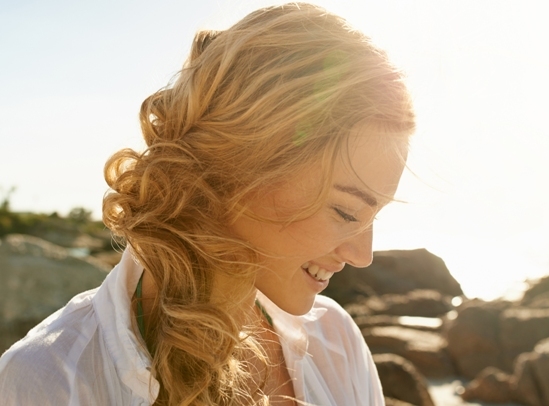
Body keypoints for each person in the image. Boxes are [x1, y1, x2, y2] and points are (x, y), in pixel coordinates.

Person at [0, 3, 414, 405]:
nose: (363, 255)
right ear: (240, 168)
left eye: (374, 216)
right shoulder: (49, 381)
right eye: (346, 212)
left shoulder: (336, 340)